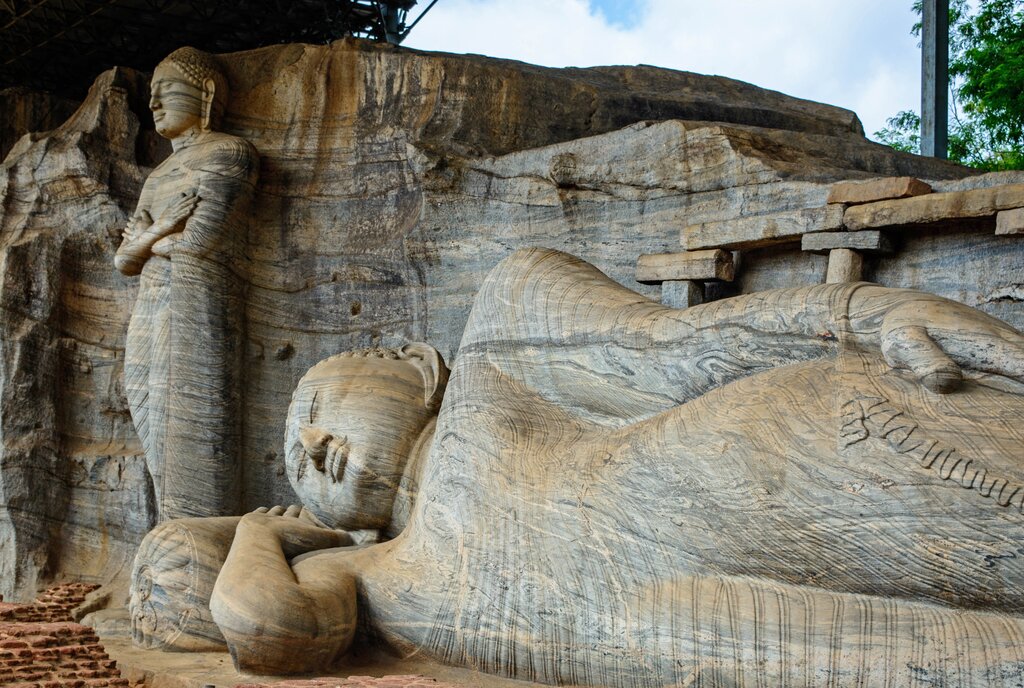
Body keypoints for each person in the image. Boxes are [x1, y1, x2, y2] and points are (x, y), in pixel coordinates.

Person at [139, 248, 1024, 685]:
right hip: (743, 631)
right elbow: (265, 626)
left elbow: (682, 345)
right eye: (300, 468)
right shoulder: (372, 575)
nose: (314, 449)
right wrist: (256, 536)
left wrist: (867, 315)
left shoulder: (501, 344)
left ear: (413, 364)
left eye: (318, 408)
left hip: (816, 454)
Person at [115, 47, 258, 520]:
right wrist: (161, 230)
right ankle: (170, 529)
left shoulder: (229, 153)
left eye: (166, 90)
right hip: (150, 304)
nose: (154, 104)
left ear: (207, 93)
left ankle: (198, 534)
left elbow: (197, 242)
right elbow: (124, 260)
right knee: (146, 409)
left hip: (198, 301)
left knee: (190, 422)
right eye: (151, 95)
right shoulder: (158, 176)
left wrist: (149, 241)